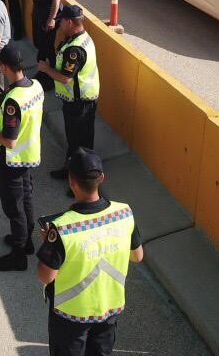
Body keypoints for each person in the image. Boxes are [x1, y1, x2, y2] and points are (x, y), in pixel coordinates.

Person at [37, 148, 143, 356]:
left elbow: (45, 276)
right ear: (101, 178)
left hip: (71, 315)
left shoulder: (62, 228)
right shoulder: (124, 213)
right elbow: (137, 256)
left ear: (71, 181)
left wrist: (47, 245)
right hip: (109, 309)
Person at [0, 43, 45, 271]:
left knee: (14, 208)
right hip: (29, 155)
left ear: (4, 67)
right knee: (26, 199)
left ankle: (18, 256)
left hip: (12, 159)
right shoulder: (36, 86)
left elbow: (9, 140)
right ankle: (26, 242)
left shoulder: (14, 100)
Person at [36, 5, 100, 183]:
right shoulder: (81, 38)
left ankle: (82, 182)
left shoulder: (75, 50)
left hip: (80, 104)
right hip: (80, 101)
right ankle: (70, 169)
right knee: (75, 141)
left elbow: (65, 78)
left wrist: (46, 69)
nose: (59, 25)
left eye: (61, 21)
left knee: (81, 145)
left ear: (70, 22)